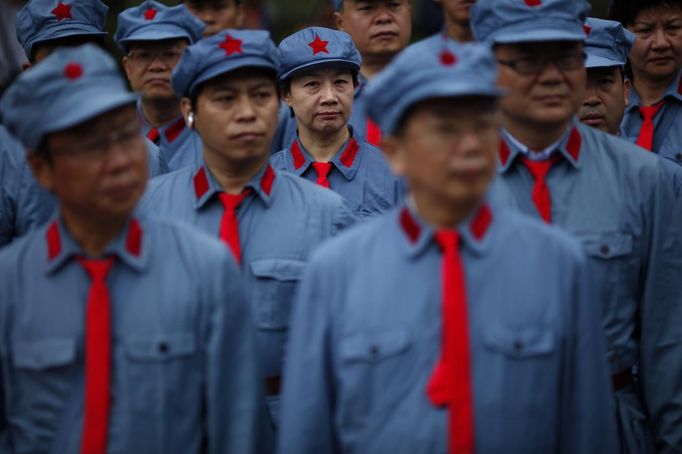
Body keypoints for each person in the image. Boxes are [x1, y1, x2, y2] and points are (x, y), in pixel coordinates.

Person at [278, 37, 618, 454]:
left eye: (481, 125)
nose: (469, 146)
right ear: (395, 153)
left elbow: (588, 430)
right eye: (444, 129)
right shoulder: (336, 272)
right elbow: (308, 435)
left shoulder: (559, 265)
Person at [0, 44, 264, 453]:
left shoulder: (205, 271)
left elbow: (238, 432)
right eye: (89, 144)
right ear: (41, 168)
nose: (120, 160)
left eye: (126, 135)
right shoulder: (10, 283)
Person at [470, 0, 682, 451]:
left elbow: (667, 344)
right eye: (528, 59)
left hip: (610, 425)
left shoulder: (647, 179)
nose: (552, 76)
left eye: (567, 56)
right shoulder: (454, 182)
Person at [139, 29, 355, 425]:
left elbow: (349, 347)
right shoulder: (148, 209)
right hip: (174, 417)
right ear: (190, 110)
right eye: (224, 98)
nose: (246, 112)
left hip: (285, 418)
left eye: (260, 95)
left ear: (279, 106)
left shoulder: (327, 214)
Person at [0, 0, 167, 248]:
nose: (72, 68)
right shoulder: (5, 152)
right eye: (56, 56)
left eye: (83, 51)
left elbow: (162, 249)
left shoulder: (145, 155)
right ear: (29, 71)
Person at [271, 26, 403, 218]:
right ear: (286, 95)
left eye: (340, 82)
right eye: (312, 85)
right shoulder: (267, 179)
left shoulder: (392, 174)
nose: (329, 97)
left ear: (355, 86)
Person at [116, 0, 205, 171]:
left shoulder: (215, 137)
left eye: (170, 54)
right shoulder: (110, 132)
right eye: (144, 55)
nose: (157, 66)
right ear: (127, 67)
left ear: (191, 63)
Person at [612, 0, 682, 163]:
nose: (661, 44)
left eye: (672, 28)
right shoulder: (602, 102)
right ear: (621, 36)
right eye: (645, 30)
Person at [578, 17, 635, 135]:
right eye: (579, 84)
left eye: (605, 82)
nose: (592, 99)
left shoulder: (642, 154)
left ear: (625, 91)